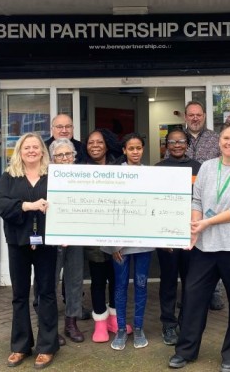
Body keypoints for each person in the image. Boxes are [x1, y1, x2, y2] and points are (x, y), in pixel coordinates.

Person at [168, 122, 230, 372]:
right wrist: (195, 229)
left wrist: (206, 222)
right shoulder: (207, 167)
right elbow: (196, 200)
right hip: (205, 247)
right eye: (226, 138)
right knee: (193, 297)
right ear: (219, 141)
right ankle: (185, 351)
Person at [0, 133, 59, 370]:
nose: (31, 151)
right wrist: (27, 205)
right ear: (19, 152)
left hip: (46, 243)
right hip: (18, 242)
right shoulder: (9, 176)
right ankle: (21, 346)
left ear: (42, 151)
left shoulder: (53, 176)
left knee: (47, 293)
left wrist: (66, 232)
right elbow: (1, 204)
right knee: (19, 295)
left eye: (35, 147)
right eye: (26, 147)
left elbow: (66, 206)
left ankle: (47, 347)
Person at [103, 133, 153, 351]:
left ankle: (139, 327)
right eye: (130, 148)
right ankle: (122, 329)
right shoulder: (114, 174)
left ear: (143, 149)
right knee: (120, 285)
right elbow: (109, 207)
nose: (135, 152)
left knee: (141, 284)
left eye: (138, 148)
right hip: (120, 244)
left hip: (144, 241)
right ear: (124, 150)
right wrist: (114, 244)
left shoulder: (151, 175)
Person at [175, 101, 225, 310]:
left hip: (210, 202)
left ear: (204, 115)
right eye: (191, 115)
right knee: (187, 250)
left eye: (198, 114)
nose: (195, 118)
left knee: (211, 246)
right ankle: (189, 293)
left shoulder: (215, 139)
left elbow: (224, 166)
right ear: (185, 117)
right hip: (183, 202)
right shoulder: (177, 139)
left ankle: (214, 292)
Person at [155, 127, 201, 346]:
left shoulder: (198, 168)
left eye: (181, 141)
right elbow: (154, 202)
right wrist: (162, 237)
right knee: (168, 281)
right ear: (166, 145)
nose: (177, 145)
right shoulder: (158, 169)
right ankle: (168, 323)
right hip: (167, 237)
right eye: (172, 142)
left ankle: (186, 322)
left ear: (187, 144)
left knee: (191, 281)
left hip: (191, 234)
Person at [82, 128, 129, 342]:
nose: (95, 146)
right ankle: (100, 323)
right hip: (93, 235)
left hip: (118, 232)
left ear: (107, 145)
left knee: (117, 279)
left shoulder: (120, 168)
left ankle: (114, 320)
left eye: (99, 142)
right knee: (99, 279)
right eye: (91, 142)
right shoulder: (81, 170)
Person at [49, 138, 85, 343]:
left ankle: (71, 322)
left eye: (68, 154)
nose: (65, 158)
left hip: (76, 235)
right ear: (52, 159)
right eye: (60, 155)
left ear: (74, 156)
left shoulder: (83, 177)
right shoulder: (46, 178)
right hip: (52, 237)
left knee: (74, 279)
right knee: (49, 280)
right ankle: (48, 325)